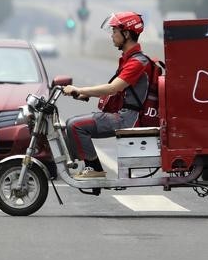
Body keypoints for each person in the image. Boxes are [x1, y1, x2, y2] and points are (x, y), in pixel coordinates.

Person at [62, 11, 153, 180]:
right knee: (69, 124)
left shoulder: (137, 62)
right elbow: (116, 93)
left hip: (129, 118)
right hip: (124, 113)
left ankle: (94, 169)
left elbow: (113, 89)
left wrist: (80, 89)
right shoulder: (130, 59)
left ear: (126, 33)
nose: (112, 36)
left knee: (76, 125)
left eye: (114, 31)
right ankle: (83, 165)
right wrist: (83, 95)